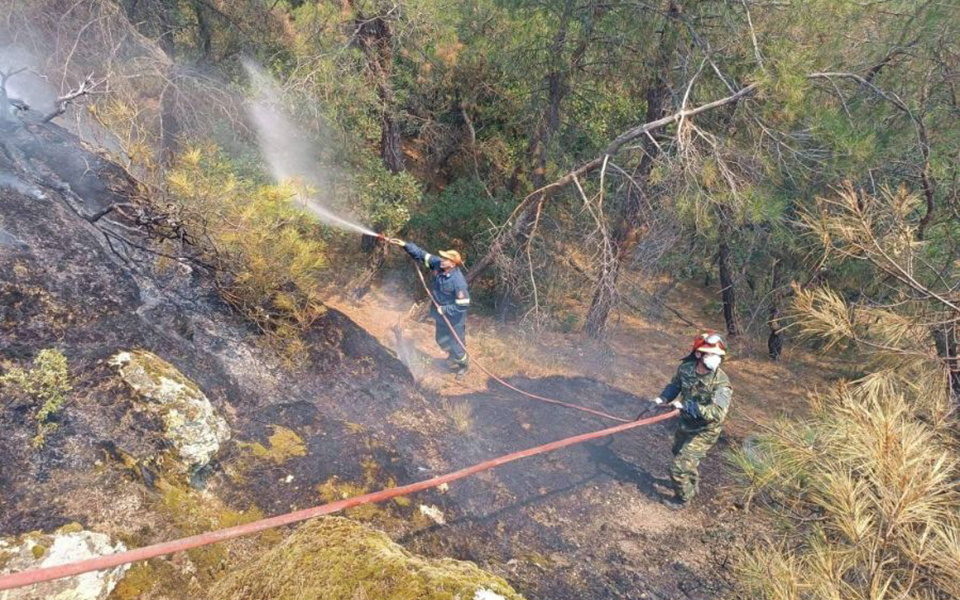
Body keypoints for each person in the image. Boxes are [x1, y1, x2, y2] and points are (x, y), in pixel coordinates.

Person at [646, 332, 733, 507]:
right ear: (699, 354)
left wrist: (687, 407)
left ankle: (683, 499)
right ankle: (691, 484)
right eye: (711, 354)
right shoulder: (686, 368)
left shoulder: (722, 384)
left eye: (719, 356)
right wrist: (662, 399)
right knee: (679, 453)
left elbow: (717, 413)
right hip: (686, 424)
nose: (716, 359)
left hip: (705, 430)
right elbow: (675, 385)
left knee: (679, 467)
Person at [389, 238, 470, 378]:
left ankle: (463, 365)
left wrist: (445, 310)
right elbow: (422, 254)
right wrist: (405, 245)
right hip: (440, 315)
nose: (441, 260)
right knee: (441, 339)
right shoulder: (439, 265)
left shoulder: (458, 282)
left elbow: (463, 304)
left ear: (452, 264)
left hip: (455, 318)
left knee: (457, 345)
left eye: (445, 259)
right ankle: (452, 357)